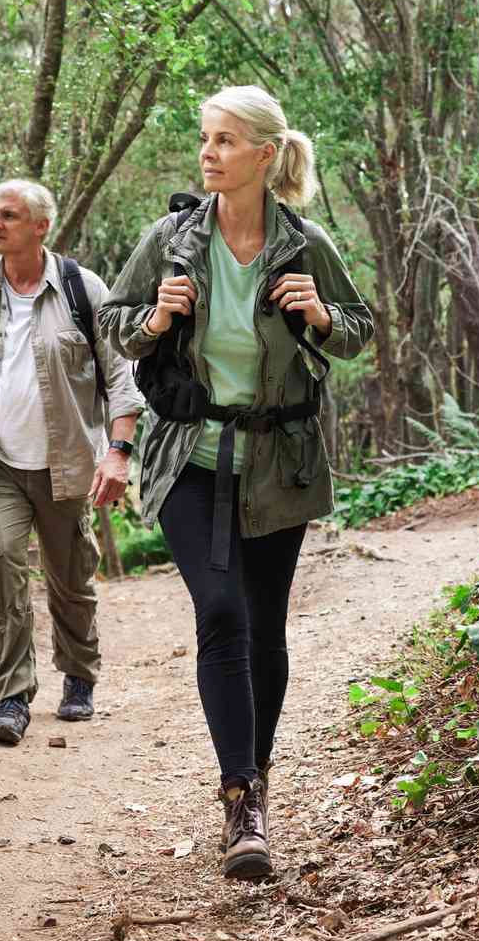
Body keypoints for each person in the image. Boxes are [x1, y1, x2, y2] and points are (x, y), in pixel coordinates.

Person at [98, 86, 373, 878]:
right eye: (204, 139)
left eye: (224, 141)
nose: (208, 153)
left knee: (265, 626)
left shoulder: (304, 242)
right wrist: (154, 319)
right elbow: (113, 323)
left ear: (263, 154)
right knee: (221, 613)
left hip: (280, 463)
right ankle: (238, 794)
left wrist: (319, 313)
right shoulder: (172, 239)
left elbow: (358, 330)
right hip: (189, 457)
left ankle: (256, 791)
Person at [0, 179, 145, 746]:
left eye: (9, 214)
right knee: (1, 561)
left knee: (70, 578)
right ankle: (10, 697)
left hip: (67, 462)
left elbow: (122, 380)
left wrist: (118, 455)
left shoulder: (83, 289)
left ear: (41, 225)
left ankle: (78, 676)